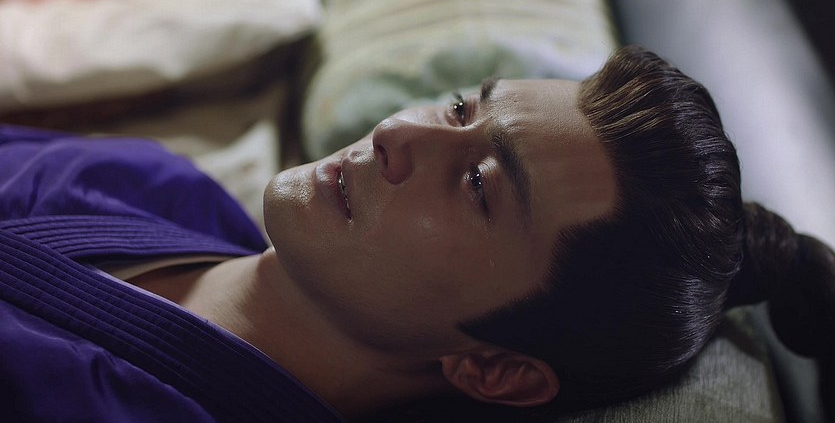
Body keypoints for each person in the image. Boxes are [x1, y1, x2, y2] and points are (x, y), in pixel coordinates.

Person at [1, 45, 832, 422]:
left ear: (495, 367)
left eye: (478, 185)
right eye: (461, 107)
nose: (399, 133)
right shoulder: (147, 183)